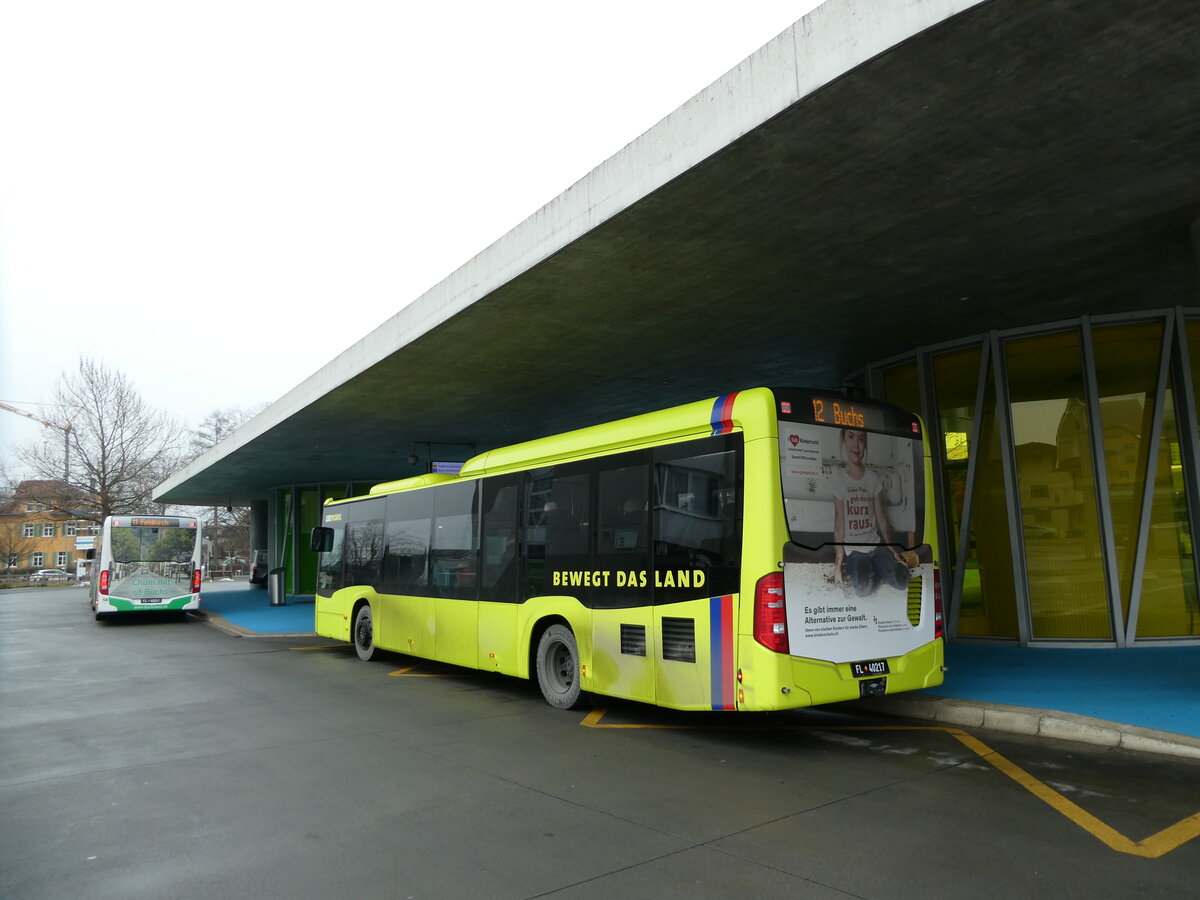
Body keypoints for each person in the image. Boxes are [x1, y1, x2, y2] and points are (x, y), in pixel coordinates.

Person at [831, 428, 910, 597]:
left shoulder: (872, 478)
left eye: (861, 439)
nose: (856, 444)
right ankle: (872, 568)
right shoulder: (839, 480)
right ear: (844, 440)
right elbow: (839, 524)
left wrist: (893, 550)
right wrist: (838, 565)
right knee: (862, 589)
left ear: (865, 444)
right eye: (851, 437)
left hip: (876, 546)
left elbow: (881, 519)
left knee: (902, 582)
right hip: (855, 552)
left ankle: (881, 566)